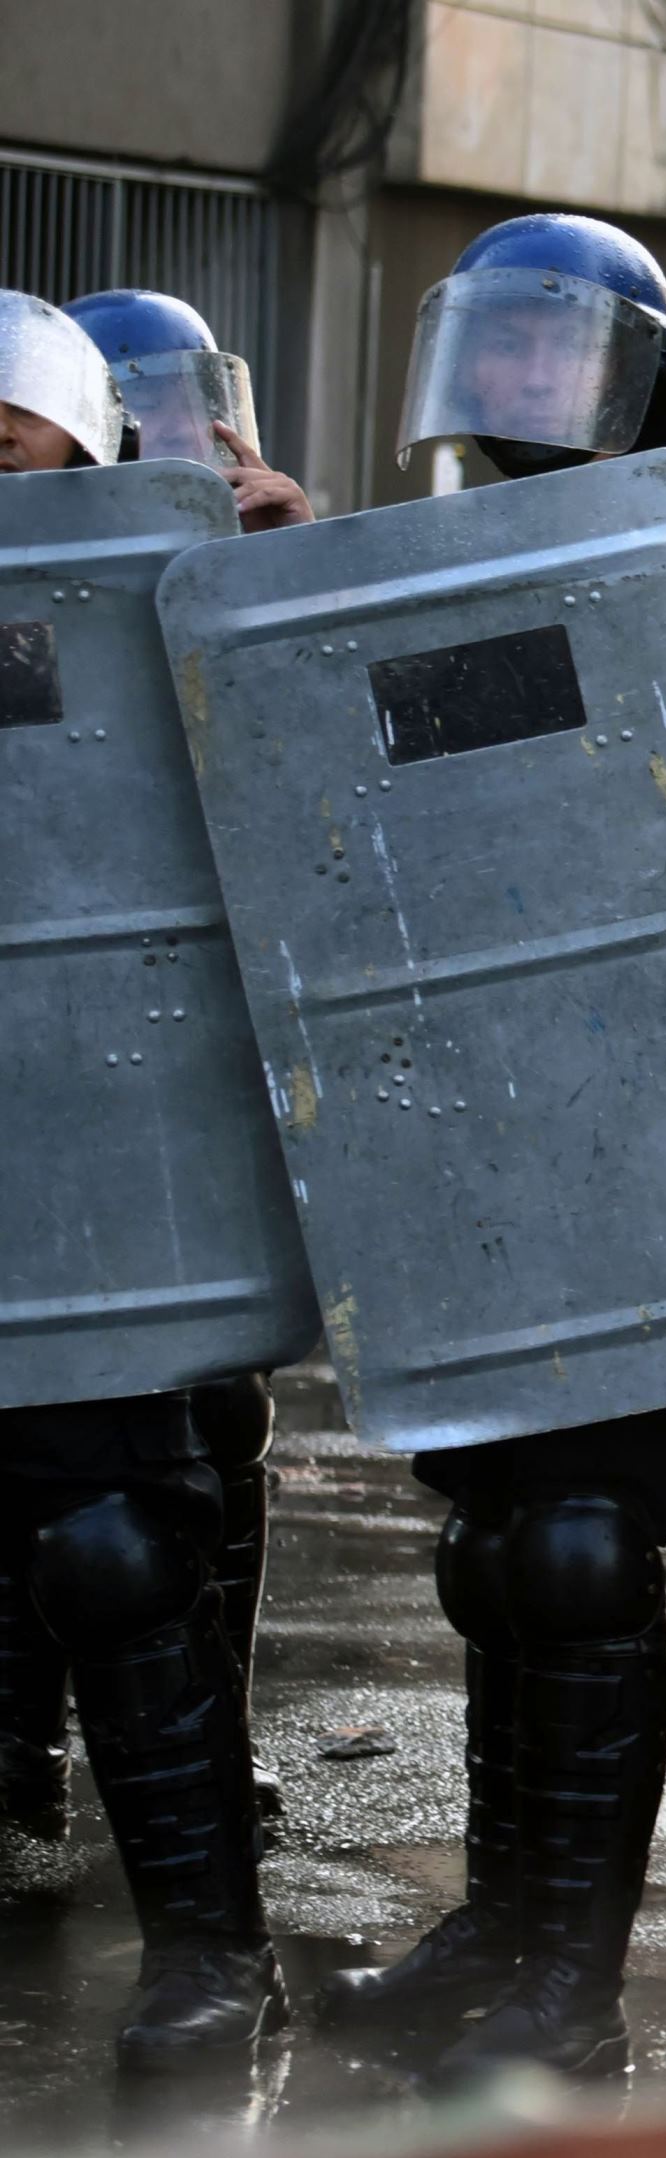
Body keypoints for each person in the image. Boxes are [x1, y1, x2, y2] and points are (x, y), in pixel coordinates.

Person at [308, 215, 666, 2083]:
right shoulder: (411, 580)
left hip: (640, 1145)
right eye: (507, 347)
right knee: (490, 1544)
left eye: (569, 353)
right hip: (464, 1138)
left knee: (578, 1549)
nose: (527, 385)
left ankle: (582, 1981)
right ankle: (506, 1915)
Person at [0, 294, 280, 2066]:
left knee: (110, 1542)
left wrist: (268, 571)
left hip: (101, 1141)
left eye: (5, 436)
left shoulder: (164, 596)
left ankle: (208, 1947)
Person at [60, 291, 309, 529]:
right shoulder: (44, 539)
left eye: (197, 407)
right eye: (150, 405)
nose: (187, 430)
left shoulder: (243, 528)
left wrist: (288, 542)